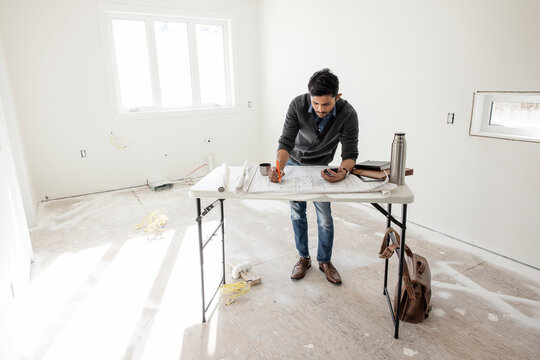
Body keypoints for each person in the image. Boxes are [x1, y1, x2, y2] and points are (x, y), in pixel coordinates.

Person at [269, 68, 359, 285]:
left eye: (326, 104)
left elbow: (350, 155)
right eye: (316, 103)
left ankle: (325, 261)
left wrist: (343, 171)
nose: (320, 109)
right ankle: (303, 258)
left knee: (325, 218)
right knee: (297, 213)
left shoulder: (348, 114)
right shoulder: (297, 105)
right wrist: (279, 167)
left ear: (337, 97)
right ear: (309, 95)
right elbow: (285, 142)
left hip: (321, 167)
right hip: (294, 163)